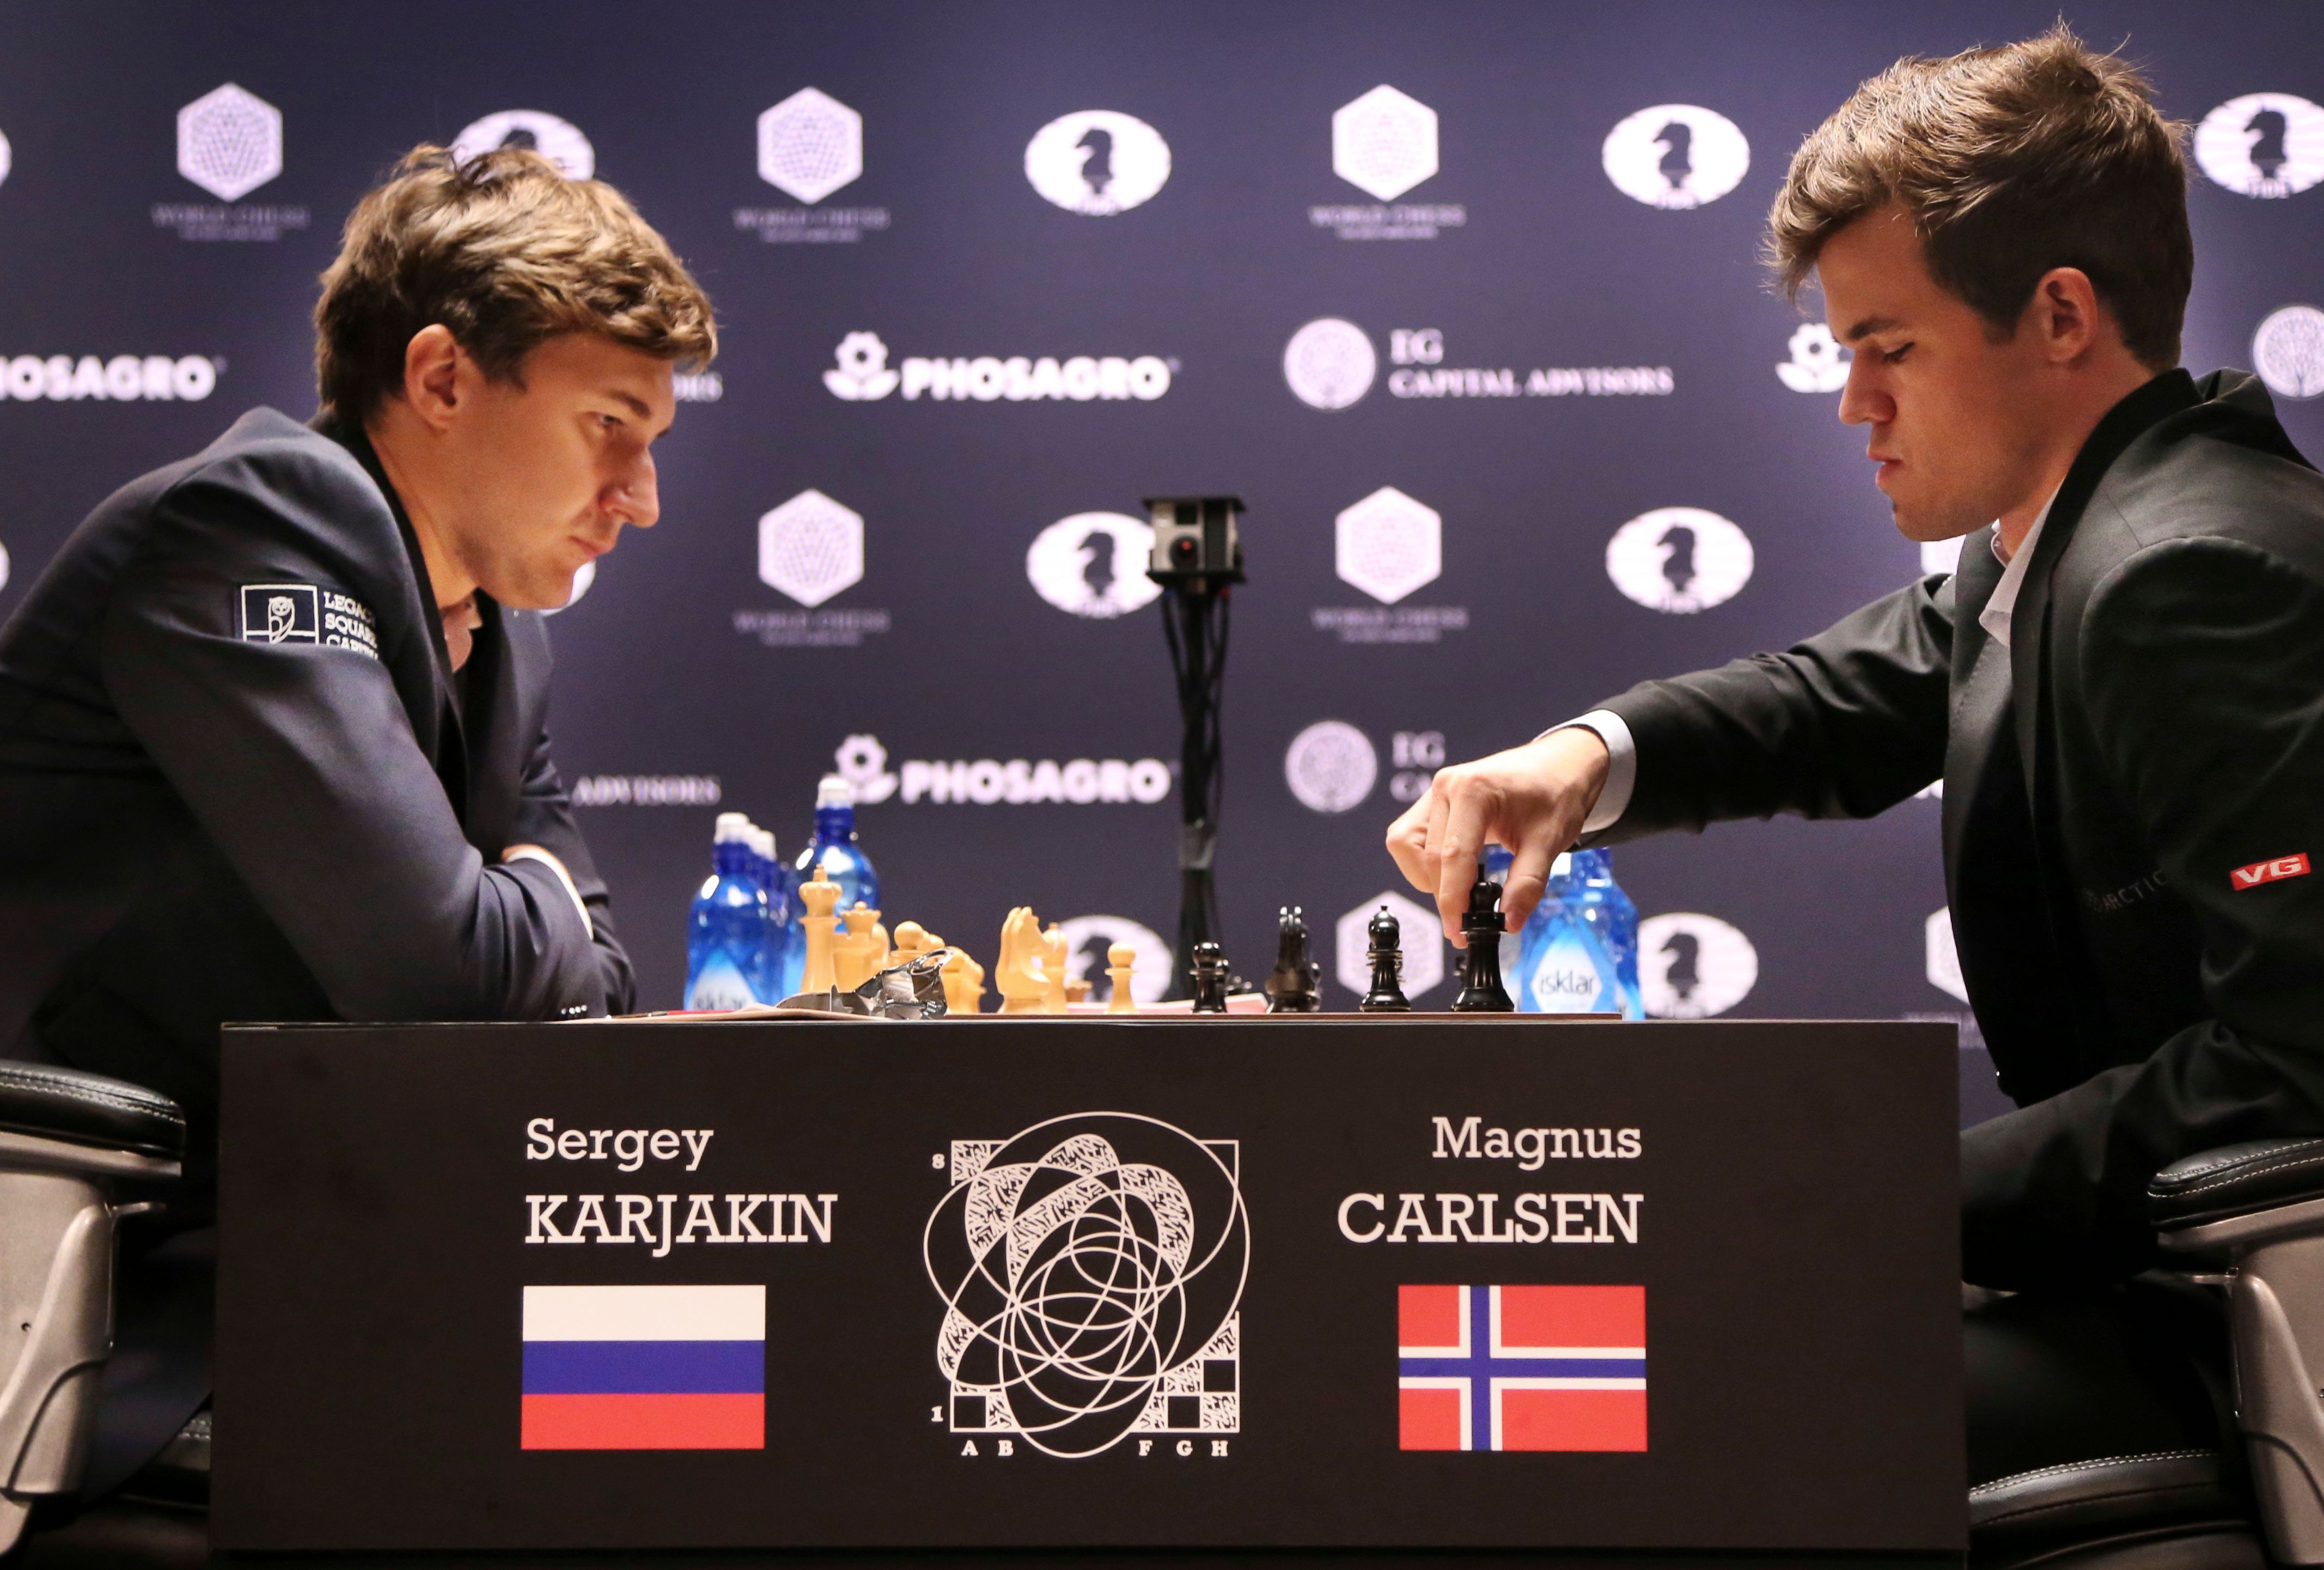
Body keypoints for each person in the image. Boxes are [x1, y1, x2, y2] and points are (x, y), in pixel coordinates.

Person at [1388, 28, 2324, 1502]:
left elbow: (2296, 1064)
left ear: (2060, 313)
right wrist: (1576, 757)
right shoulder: (2079, 533)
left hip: (2231, 1328)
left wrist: (1880, 1201)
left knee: (1597, 1393)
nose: (1854, 404)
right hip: (2154, 1284)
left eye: (1890, 349)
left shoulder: (2184, 569)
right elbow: (1839, 695)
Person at [0, 143, 715, 1494]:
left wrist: (514, 905)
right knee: (646, 1436)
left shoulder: (499, 627)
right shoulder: (248, 530)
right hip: (106, 1280)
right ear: (441, 379)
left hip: (313, 1231)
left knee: (711, 1388)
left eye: (653, 441)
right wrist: (519, 903)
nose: (641, 496)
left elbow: (595, 980)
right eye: (606, 423)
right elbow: (447, 977)